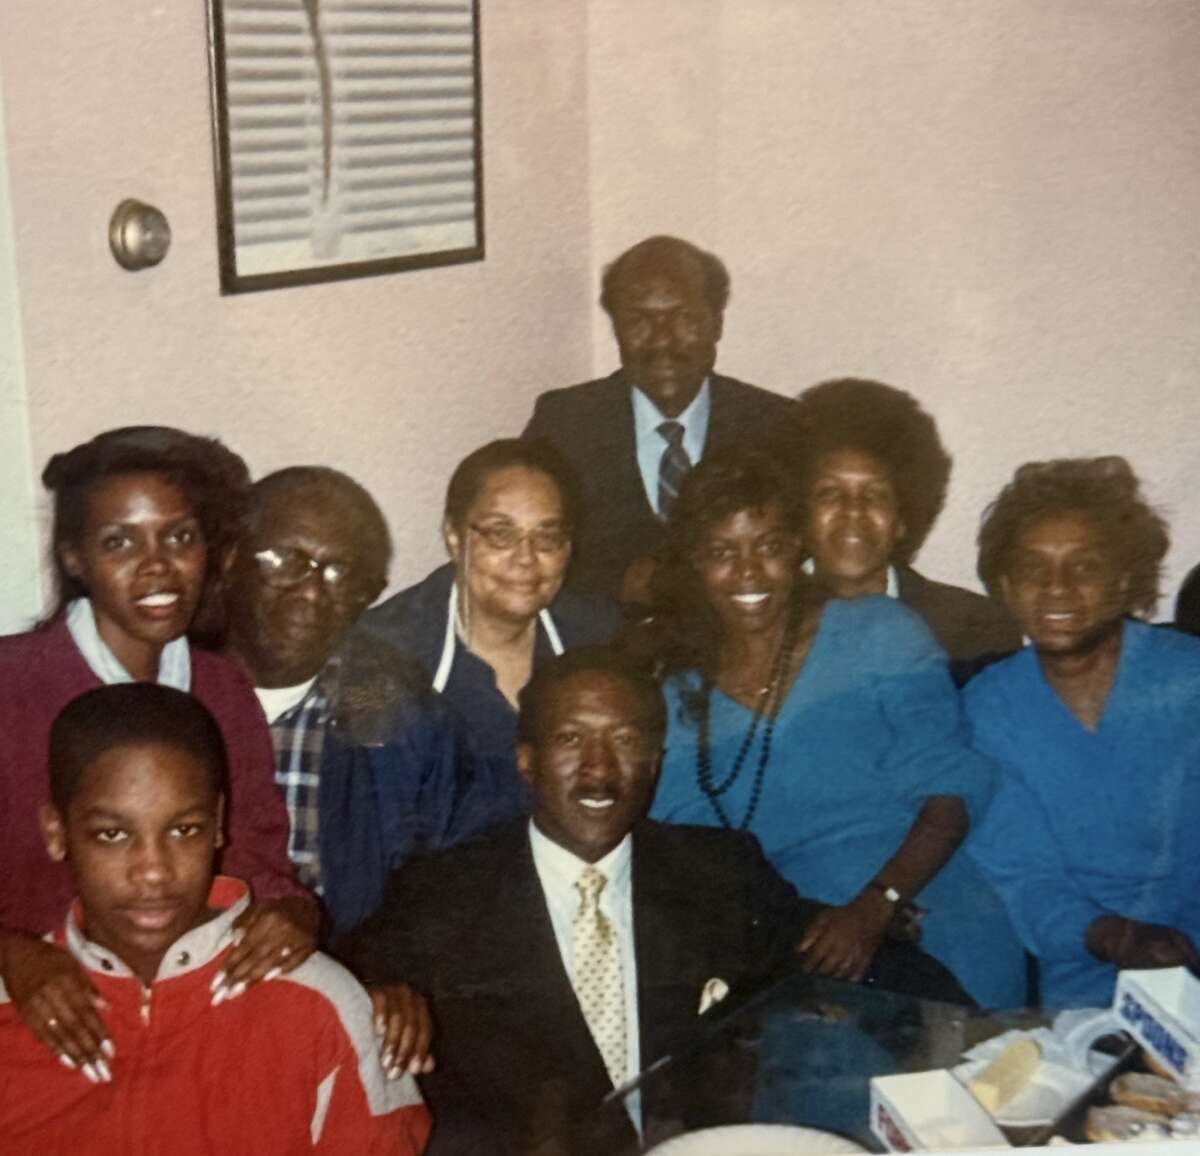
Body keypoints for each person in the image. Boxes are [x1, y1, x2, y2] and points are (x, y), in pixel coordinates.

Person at [344, 647, 968, 1156]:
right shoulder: (444, 892)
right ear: (526, 762)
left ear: (654, 763)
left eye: (623, 741)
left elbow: (835, 953)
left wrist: (970, 1041)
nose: (599, 771)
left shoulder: (718, 870)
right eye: (571, 739)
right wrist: (374, 990)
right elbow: (350, 975)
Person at [644, 450, 1026, 1009]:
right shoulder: (676, 698)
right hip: (800, 944)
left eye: (769, 546)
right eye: (723, 553)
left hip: (929, 910)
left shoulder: (879, 632)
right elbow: (690, 858)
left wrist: (877, 905)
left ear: (798, 546)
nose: (749, 571)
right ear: (695, 563)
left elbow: (950, 795)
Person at [0, 426, 316, 1081]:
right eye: (120, 542)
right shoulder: (11, 688)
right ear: (74, 558)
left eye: (179, 537)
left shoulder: (223, 689)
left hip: (186, 1014)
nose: (157, 566)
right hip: (34, 1020)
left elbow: (257, 860)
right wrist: (11, 953)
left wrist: (295, 912)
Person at [0, 683, 430, 1155]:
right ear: (56, 832)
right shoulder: (13, 1006)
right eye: (113, 834)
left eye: (184, 830)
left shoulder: (323, 1007)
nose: (154, 871)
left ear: (219, 822)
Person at [965, 456, 1200, 1008]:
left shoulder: (1189, 678)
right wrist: (1116, 939)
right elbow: (1022, 876)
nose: (1057, 588)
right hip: (1087, 976)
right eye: (1033, 568)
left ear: (1123, 580)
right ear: (1006, 585)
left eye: (1084, 566)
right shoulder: (987, 708)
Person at [220, 466, 495, 934]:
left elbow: (452, 890)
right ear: (229, 558)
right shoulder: (169, 693)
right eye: (287, 560)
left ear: (366, 595)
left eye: (339, 572)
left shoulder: (400, 719)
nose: (311, 592)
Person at [522, 235, 795, 603]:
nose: (662, 341)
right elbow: (531, 551)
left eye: (684, 318)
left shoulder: (776, 426)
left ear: (716, 324)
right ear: (616, 329)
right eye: (639, 320)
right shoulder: (564, 424)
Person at [364, 439, 618, 816]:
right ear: (454, 538)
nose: (526, 558)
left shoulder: (598, 639)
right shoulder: (382, 654)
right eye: (501, 533)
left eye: (547, 537)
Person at [792, 378, 1020, 677]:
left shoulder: (975, 628)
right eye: (830, 493)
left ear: (903, 518)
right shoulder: (756, 620)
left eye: (875, 495)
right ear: (799, 511)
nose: (854, 511)